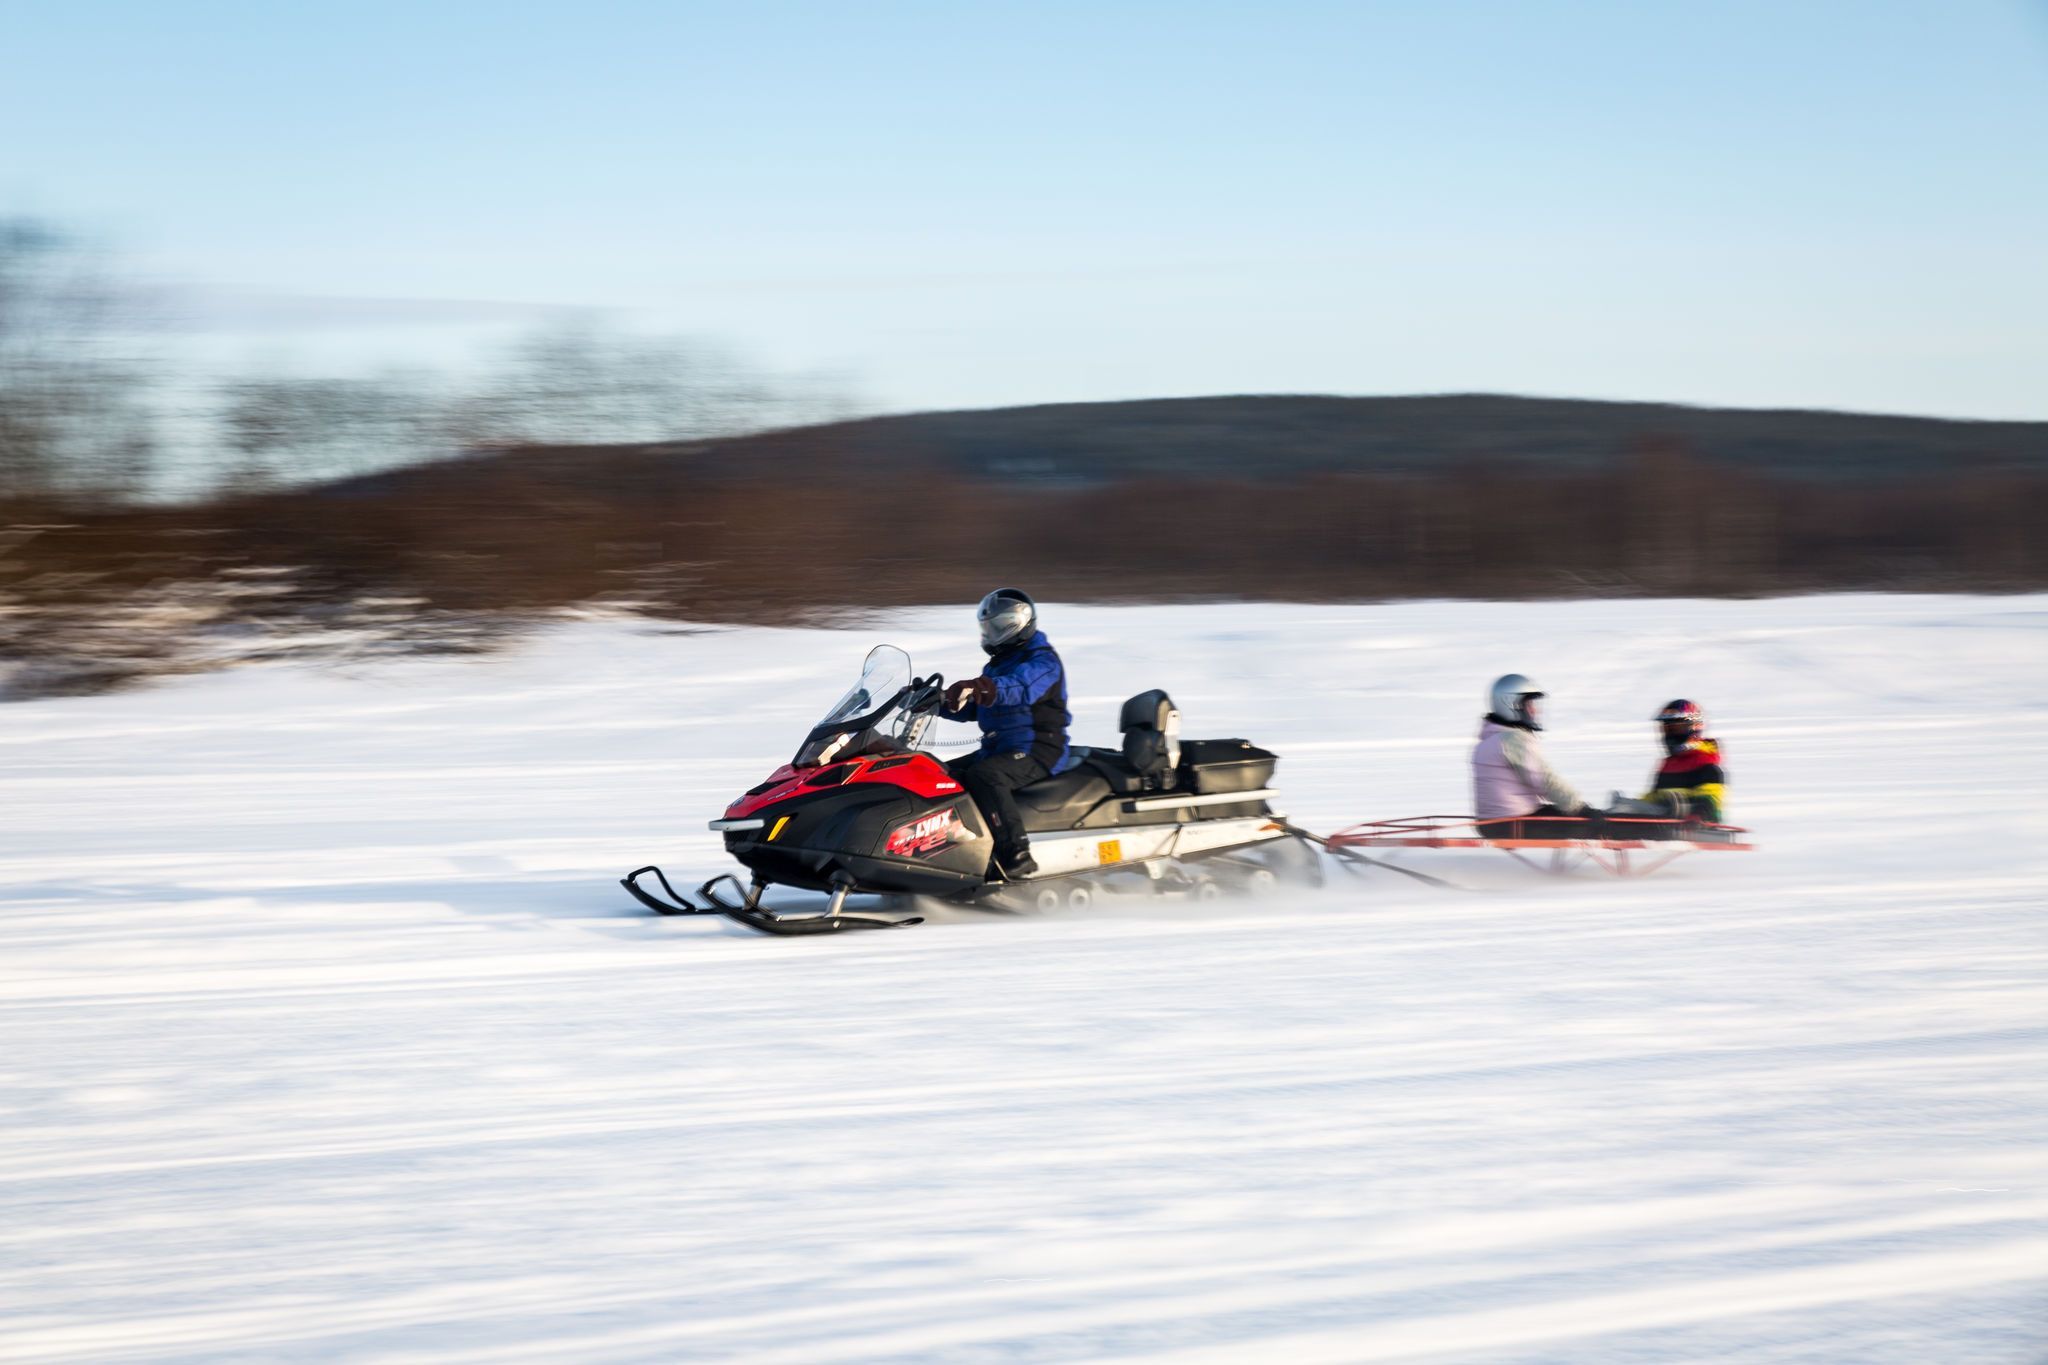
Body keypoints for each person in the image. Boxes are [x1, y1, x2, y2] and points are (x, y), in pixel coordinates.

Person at [940, 588, 1071, 879]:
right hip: (1001, 747)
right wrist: (936, 702)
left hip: (1039, 748)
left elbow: (1019, 688)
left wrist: (982, 687)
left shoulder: (1042, 662)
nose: (990, 634)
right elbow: (979, 707)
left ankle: (1016, 853)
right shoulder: (1000, 664)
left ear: (1017, 624)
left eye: (997, 626)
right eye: (987, 628)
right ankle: (953, 850)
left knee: (986, 776)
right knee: (939, 774)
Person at [1470, 673, 1600, 838]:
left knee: (1559, 812)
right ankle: (1639, 835)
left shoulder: (1487, 740)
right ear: (1510, 704)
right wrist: (1580, 808)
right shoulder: (1513, 739)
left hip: (1490, 823)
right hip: (1513, 824)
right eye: (1528, 704)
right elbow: (1544, 780)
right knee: (1598, 823)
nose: (1534, 710)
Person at [1606, 699, 1728, 830]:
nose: (1670, 734)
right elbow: (1652, 799)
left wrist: (1696, 815)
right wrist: (1633, 805)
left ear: (1693, 727)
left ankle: (1605, 818)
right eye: (1667, 728)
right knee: (1621, 807)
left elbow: (1711, 804)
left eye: (1676, 728)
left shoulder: (1708, 766)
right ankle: (1592, 817)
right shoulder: (1668, 766)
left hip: (1685, 825)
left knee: (1624, 809)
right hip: (1660, 820)